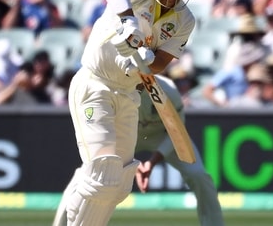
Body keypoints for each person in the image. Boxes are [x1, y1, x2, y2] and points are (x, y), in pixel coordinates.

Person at [59, 0, 199, 225]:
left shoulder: (185, 19)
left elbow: (160, 64)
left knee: (119, 183)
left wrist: (142, 62)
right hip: (94, 84)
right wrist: (127, 20)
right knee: (103, 172)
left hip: (127, 94)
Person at [52, 75, 224, 226]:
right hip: (126, 136)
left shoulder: (168, 92)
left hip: (162, 136)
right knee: (87, 175)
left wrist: (151, 163)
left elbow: (176, 132)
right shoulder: (113, 91)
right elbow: (109, 130)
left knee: (199, 175)